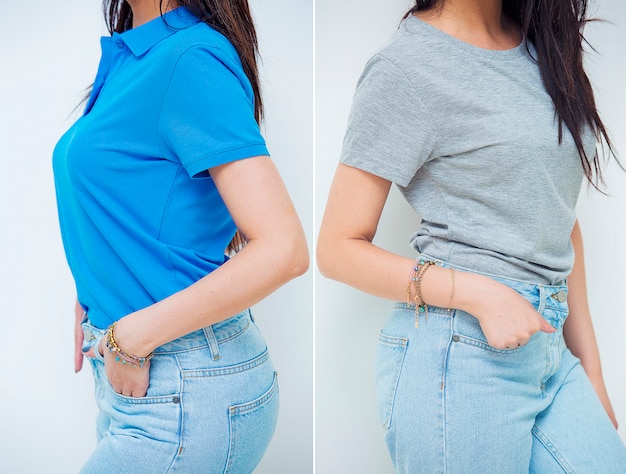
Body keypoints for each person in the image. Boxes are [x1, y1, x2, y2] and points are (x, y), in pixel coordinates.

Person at [317, 0, 626, 472]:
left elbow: (557, 218)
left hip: (550, 351)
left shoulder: (544, 50)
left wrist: (592, 371)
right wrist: (479, 294)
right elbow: (337, 249)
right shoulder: (405, 68)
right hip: (459, 353)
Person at [53, 0, 308, 472]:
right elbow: (131, 194)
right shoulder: (136, 54)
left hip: (183, 384)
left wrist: (132, 335)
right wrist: (96, 286)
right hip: (145, 378)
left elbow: (284, 249)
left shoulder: (190, 57)